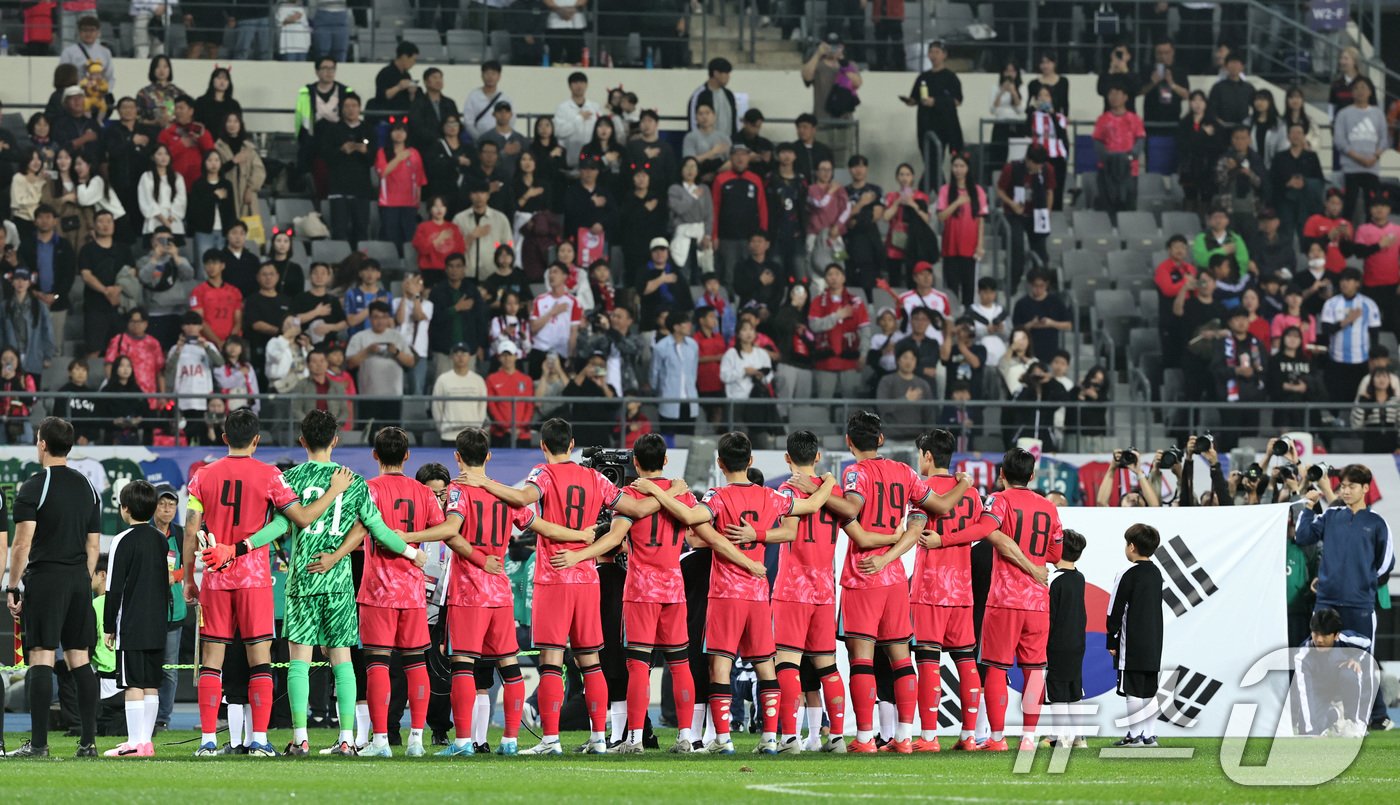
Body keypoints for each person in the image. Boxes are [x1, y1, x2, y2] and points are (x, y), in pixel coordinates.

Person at [219, 410, 423, 756]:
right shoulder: (355, 481)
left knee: (300, 660)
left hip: (302, 580)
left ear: (302, 441)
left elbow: (281, 526)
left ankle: (300, 738)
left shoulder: (291, 479)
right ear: (335, 440)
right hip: (340, 582)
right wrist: (410, 552)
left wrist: (245, 546)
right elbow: (377, 529)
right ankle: (347, 739)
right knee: (342, 659)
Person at [459, 417, 666, 754]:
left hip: (554, 575)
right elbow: (639, 509)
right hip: (587, 576)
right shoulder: (594, 477)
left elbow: (522, 497)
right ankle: (600, 738)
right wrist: (669, 492)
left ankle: (551, 739)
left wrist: (483, 482)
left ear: (543, 446)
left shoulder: (543, 474)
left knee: (552, 661)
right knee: (591, 662)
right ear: (571, 445)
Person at [637, 431, 834, 754]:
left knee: (720, 666)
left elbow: (688, 518)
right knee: (765, 666)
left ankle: (723, 739)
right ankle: (771, 739)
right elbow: (811, 506)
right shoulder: (770, 496)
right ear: (751, 461)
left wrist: (661, 493)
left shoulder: (717, 496)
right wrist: (827, 481)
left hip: (726, 593)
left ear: (720, 463)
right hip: (759, 592)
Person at [810, 412, 970, 752]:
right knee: (901, 659)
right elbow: (939, 506)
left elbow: (851, 506)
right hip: (896, 578)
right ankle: (904, 737)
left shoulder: (854, 472)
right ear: (880, 439)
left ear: (849, 442)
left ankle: (866, 738)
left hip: (863, 575)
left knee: (862, 660)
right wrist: (964, 485)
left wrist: (821, 491)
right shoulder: (904, 471)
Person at [910, 429, 1015, 751]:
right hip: (962, 589)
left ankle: (928, 737)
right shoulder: (969, 494)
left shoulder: (921, 489)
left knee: (929, 662)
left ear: (928, 456)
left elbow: (911, 532)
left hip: (929, 587)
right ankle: (969, 735)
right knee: (966, 661)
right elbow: (984, 529)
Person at [4, 417, 102, 757]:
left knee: (41, 656)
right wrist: (83, 580)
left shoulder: (34, 485)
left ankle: (40, 745)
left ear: (42, 443)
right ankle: (88, 744)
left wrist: (12, 586)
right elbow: (94, 545)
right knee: (80, 659)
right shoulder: (87, 487)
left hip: (46, 577)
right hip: (78, 579)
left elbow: (21, 544)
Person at [1295, 464, 1396, 729]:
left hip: (1359, 604)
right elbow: (1302, 535)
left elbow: (1386, 563)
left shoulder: (1377, 523)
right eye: (1343, 486)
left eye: (1352, 486)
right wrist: (1307, 508)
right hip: (1326, 602)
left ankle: (1366, 719)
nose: (1346, 491)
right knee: (1317, 659)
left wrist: (1364, 586)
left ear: (1365, 488)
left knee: (1363, 660)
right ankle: (1320, 716)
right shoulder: (1331, 516)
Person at [977, 447, 1062, 751]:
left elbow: (986, 531)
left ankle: (997, 738)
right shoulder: (1049, 508)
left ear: (1001, 474)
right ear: (1033, 475)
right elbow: (1055, 553)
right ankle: (1029, 737)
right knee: (1034, 669)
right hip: (1038, 601)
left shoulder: (998, 501)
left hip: (1004, 599)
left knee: (997, 668)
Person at [99, 480, 168, 757]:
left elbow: (113, 586)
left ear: (125, 509)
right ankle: (146, 742)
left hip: (132, 622)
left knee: (132, 684)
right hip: (157, 621)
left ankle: (134, 743)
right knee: (150, 683)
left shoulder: (121, 540)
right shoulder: (160, 539)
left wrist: (107, 626)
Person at [1106, 524, 1165, 747]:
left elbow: (1115, 608)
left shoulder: (1126, 573)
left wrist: (1111, 638)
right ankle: (1149, 734)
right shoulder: (1156, 573)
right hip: (1154, 638)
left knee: (1132, 688)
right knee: (1149, 687)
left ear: (1131, 547)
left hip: (1131, 639)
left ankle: (1134, 734)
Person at [346, 301, 415, 433]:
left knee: (394, 436)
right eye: (376, 317)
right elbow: (350, 363)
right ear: (370, 318)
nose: (380, 321)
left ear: (389, 318)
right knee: (368, 434)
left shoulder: (397, 336)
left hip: (393, 396)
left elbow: (411, 362)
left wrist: (396, 352)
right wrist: (367, 351)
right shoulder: (359, 337)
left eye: (384, 317)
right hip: (368, 395)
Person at [996, 145, 1055, 292]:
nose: (1038, 168)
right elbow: (1000, 190)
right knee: (1017, 251)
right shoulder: (1012, 168)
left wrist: (1047, 211)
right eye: (1036, 164)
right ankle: (1012, 285)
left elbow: (1049, 192)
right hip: (1015, 214)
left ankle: (1041, 286)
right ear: (1028, 160)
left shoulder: (1047, 170)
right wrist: (1011, 203)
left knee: (1041, 253)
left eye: (1041, 164)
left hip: (1037, 214)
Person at [1320, 268, 1383, 402]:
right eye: (1342, 280)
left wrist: (1374, 359)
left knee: (1360, 397)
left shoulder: (1369, 304)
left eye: (1348, 280)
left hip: (1361, 360)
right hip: (1336, 359)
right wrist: (1347, 320)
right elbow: (1326, 329)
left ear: (1357, 283)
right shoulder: (1331, 303)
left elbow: (1374, 333)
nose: (1344, 283)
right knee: (1335, 396)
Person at [906, 40, 963, 180]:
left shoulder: (951, 77)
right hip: (926, 124)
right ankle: (938, 191)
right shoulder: (923, 77)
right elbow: (915, 98)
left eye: (937, 52)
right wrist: (910, 101)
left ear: (944, 55)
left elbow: (957, 101)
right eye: (931, 52)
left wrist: (936, 102)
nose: (934, 55)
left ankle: (942, 191)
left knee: (952, 161)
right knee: (931, 163)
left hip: (946, 124)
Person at [1334, 76, 1389, 224]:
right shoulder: (1343, 114)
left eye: (1363, 88)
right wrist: (1358, 157)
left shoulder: (1378, 113)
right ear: (1352, 92)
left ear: (1370, 91)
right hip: (1351, 168)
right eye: (1356, 88)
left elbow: (1384, 139)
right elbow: (1339, 141)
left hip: (1372, 167)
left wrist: (1375, 157)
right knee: (1349, 205)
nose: (1360, 91)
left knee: (1371, 205)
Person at [322, 93, 373, 246]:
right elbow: (326, 157)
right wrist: (341, 150)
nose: (351, 110)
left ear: (360, 108)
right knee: (339, 230)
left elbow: (374, 158)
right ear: (341, 109)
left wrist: (365, 152)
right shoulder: (333, 130)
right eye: (347, 106)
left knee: (362, 230)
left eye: (354, 106)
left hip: (361, 189)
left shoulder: (368, 129)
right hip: (339, 187)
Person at [1346, 192, 1400, 332]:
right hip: (1371, 284)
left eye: (1383, 206)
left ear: (1389, 209)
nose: (1379, 209)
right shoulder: (1364, 229)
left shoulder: (1397, 230)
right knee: (1369, 325)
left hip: (1393, 285)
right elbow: (1359, 252)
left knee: (1396, 324)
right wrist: (1379, 246)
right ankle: (1371, 353)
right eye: (1375, 206)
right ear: (1370, 210)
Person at [1093, 86, 1146, 214]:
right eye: (1111, 94)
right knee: (1107, 207)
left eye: (1118, 93)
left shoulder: (1134, 119)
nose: (1114, 97)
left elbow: (1140, 140)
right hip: (1107, 170)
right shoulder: (1103, 119)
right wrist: (1108, 158)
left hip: (1129, 170)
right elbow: (1097, 141)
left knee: (1128, 207)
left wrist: (1130, 157)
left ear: (1126, 97)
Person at [650, 310, 700, 433]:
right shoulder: (661, 347)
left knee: (687, 439)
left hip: (689, 400)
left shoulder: (693, 345)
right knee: (668, 441)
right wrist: (660, 393)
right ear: (676, 326)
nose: (689, 325)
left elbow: (694, 371)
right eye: (685, 323)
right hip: (668, 400)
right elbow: (654, 375)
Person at [1213, 126, 1264, 235]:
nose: (1240, 141)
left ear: (1249, 140)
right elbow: (1219, 181)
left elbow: (1261, 183)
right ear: (1232, 140)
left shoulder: (1256, 159)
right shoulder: (1224, 159)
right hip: (1229, 208)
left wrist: (1249, 173)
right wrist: (1230, 170)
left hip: (1251, 209)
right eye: (1236, 138)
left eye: (1243, 138)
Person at [553, 71, 604, 166]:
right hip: (569, 154)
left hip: (591, 154)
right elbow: (558, 131)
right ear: (569, 86)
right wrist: (579, 119)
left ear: (586, 85)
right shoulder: (562, 108)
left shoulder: (595, 107)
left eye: (582, 83)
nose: (579, 86)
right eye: (575, 83)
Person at [462, 60, 512, 142]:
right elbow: (468, 122)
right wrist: (480, 139)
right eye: (487, 73)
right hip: (479, 141)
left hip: (500, 141)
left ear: (499, 76)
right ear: (482, 75)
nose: (490, 77)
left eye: (493, 74)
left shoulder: (505, 98)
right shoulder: (473, 96)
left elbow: (511, 121)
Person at [690, 58, 738, 138]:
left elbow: (734, 122)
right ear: (716, 73)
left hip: (726, 145)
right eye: (725, 73)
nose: (728, 77)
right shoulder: (700, 95)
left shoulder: (729, 95)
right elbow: (693, 122)